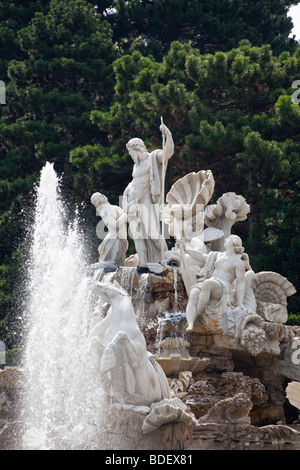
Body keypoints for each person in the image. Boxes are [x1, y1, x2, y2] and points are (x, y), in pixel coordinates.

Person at [122, 122, 174, 267]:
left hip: (146, 199)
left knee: (152, 232)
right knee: (137, 236)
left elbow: (167, 153)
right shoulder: (136, 164)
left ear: (137, 149)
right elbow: (134, 182)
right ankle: (143, 265)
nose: (131, 156)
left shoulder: (152, 157)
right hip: (132, 204)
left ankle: (166, 257)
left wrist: (168, 135)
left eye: (131, 152)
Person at [182, 234, 247, 331]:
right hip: (211, 280)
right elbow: (201, 256)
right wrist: (185, 248)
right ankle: (190, 324)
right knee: (194, 293)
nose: (226, 239)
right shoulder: (217, 255)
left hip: (222, 286)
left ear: (234, 243)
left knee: (207, 284)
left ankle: (195, 315)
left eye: (228, 239)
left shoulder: (237, 262)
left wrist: (240, 304)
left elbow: (240, 283)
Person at [91, 192, 128, 268]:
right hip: (115, 240)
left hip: (121, 238)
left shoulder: (115, 207)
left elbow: (128, 219)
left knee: (118, 265)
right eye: (100, 196)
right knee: (115, 265)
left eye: (101, 194)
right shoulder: (103, 211)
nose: (103, 195)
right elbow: (114, 225)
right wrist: (126, 214)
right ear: (97, 201)